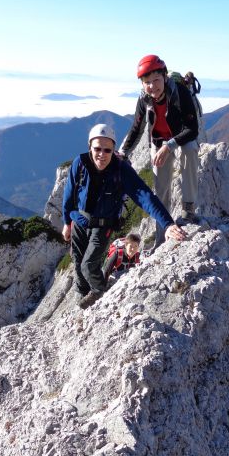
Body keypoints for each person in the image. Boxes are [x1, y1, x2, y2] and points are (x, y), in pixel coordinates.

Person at [62, 123, 186, 308]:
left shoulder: (121, 170)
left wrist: (167, 224)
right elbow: (69, 194)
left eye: (107, 150)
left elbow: (144, 196)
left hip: (103, 225)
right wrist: (66, 223)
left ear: (113, 150)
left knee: (88, 265)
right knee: (78, 264)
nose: (102, 154)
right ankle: (83, 298)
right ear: (90, 147)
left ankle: (99, 292)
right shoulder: (79, 164)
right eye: (97, 149)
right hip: (79, 221)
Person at [118, 54, 200, 248]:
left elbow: (192, 129)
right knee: (160, 188)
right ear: (142, 84)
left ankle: (189, 210)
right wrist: (123, 152)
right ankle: (161, 236)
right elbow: (136, 128)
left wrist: (169, 145)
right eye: (147, 82)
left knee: (189, 150)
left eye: (156, 80)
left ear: (165, 77)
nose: (152, 86)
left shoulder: (180, 92)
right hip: (158, 141)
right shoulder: (144, 99)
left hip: (180, 137)